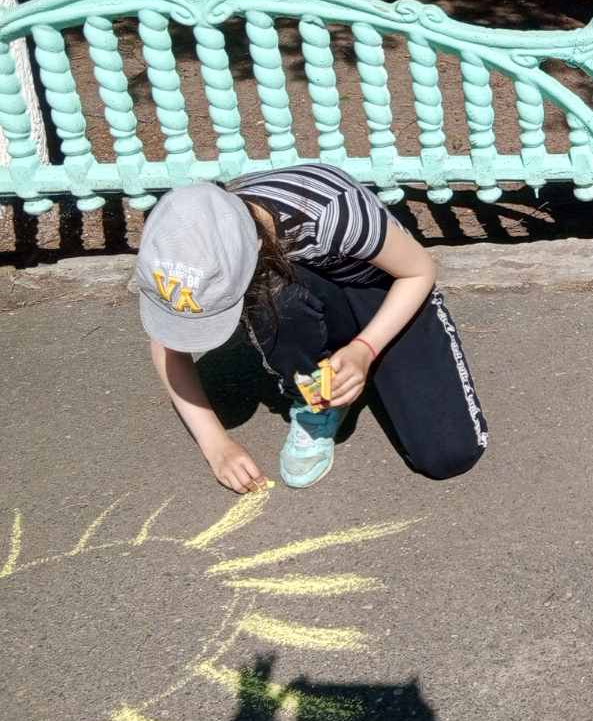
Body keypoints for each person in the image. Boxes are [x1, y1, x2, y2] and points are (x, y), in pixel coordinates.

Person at [136, 164, 488, 493]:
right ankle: (317, 397)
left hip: (386, 289)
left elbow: (419, 271)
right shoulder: (179, 250)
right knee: (276, 294)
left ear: (252, 250)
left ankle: (354, 361)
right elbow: (167, 345)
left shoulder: (332, 213)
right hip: (311, 290)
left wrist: (365, 349)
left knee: (448, 454)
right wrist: (217, 446)